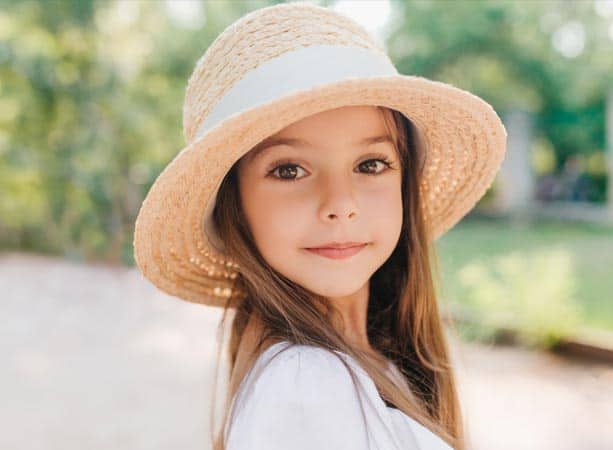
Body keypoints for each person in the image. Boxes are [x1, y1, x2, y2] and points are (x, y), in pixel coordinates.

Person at [132, 2, 507, 450]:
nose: (341, 205)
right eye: (289, 170)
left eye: (371, 164)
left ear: (404, 181)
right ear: (235, 208)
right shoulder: (305, 386)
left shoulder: (366, 364)